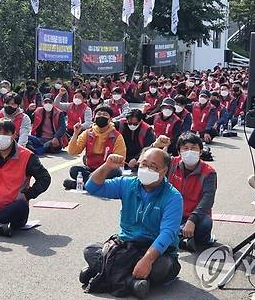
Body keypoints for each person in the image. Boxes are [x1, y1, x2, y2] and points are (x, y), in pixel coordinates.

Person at [80, 148, 182, 298]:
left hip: (155, 250)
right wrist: (107, 166)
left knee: (162, 268)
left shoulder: (173, 197)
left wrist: (147, 260)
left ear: (164, 170)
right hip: (126, 245)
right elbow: (92, 187)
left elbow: (167, 233)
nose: (146, 169)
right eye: (143, 164)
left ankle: (105, 271)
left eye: (152, 166)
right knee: (90, 250)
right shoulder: (127, 184)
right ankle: (131, 282)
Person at [168, 132, 217, 252]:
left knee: (205, 224)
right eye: (185, 148)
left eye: (194, 148)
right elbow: (148, 160)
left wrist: (192, 220)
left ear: (201, 151)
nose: (189, 151)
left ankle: (177, 235)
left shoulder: (209, 172)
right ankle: (181, 236)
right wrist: (156, 144)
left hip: (196, 215)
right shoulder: (171, 164)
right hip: (173, 213)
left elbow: (208, 200)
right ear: (179, 152)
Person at [65, 105, 126, 190]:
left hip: (106, 171)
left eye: (105, 115)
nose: (101, 116)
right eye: (99, 114)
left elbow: (120, 160)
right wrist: (75, 134)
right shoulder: (88, 133)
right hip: (91, 168)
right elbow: (72, 151)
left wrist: (111, 162)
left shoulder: (117, 136)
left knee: (116, 173)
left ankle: (81, 185)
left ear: (110, 119)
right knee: (74, 170)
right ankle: (96, 185)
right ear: (94, 117)